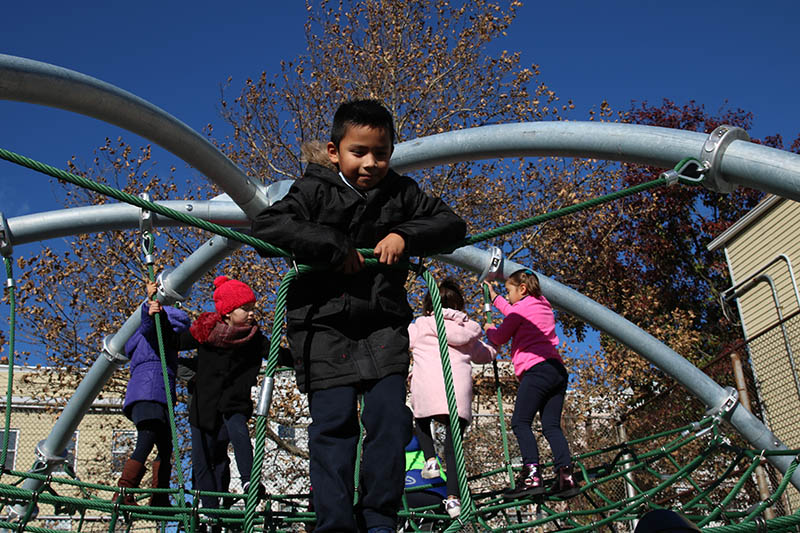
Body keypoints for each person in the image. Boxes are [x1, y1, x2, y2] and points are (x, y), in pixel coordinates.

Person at [251, 99, 467, 533]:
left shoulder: (401, 194)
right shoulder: (314, 189)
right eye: (359, 152)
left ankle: (379, 517)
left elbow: (451, 226)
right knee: (333, 426)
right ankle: (334, 523)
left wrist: (403, 235)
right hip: (323, 326)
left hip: (382, 324)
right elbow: (268, 228)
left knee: (389, 421)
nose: (371, 162)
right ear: (334, 152)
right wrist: (333, 247)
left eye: (381, 153)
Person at [178, 275, 286, 511]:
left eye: (252, 309)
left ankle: (249, 480)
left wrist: (302, 357)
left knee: (238, 431)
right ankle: (208, 507)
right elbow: (171, 341)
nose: (251, 314)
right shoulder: (205, 332)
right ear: (227, 312)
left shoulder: (254, 337)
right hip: (203, 406)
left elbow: (277, 353)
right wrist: (153, 315)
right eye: (245, 309)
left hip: (233, 401)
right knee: (202, 456)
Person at [484, 270, 579, 499]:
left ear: (523, 289)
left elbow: (500, 337)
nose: (507, 297)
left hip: (536, 371)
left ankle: (531, 474)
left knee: (520, 422)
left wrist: (489, 331)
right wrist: (495, 296)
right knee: (551, 426)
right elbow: (512, 311)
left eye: (509, 291)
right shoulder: (542, 306)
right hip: (557, 371)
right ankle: (565, 475)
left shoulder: (520, 311)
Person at [408, 278, 495, 518]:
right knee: (453, 449)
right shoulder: (467, 332)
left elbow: (403, 340)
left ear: (428, 307)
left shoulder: (422, 324)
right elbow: (485, 355)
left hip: (427, 391)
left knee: (421, 422)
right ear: (460, 309)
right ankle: (454, 499)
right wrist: (494, 340)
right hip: (457, 396)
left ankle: (429, 460)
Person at [117, 281, 190, 507]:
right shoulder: (159, 328)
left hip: (152, 393)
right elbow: (151, 325)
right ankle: (124, 489)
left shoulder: (139, 337)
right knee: (147, 439)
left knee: (166, 446)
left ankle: (160, 496)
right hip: (150, 391)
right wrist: (150, 304)